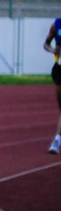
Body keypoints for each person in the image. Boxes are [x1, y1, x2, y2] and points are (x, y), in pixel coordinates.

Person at [45, 17, 61, 155]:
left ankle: (57, 140)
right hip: (60, 69)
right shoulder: (56, 25)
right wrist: (52, 50)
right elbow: (46, 44)